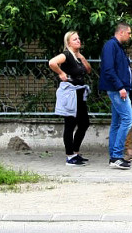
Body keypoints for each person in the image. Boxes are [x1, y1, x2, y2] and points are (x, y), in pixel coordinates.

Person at [49, 31, 92, 166]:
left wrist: (81, 57)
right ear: (68, 43)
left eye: (78, 38)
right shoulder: (66, 55)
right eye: (75, 39)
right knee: (70, 124)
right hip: (70, 94)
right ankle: (70, 156)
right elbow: (52, 62)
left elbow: (88, 70)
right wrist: (61, 73)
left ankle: (75, 152)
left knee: (84, 123)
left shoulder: (77, 57)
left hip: (79, 93)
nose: (78, 40)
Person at [99, 22, 132, 169]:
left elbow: (122, 69)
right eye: (129, 33)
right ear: (121, 32)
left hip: (119, 89)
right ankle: (116, 156)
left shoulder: (117, 47)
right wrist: (120, 87)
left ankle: (114, 157)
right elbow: (108, 69)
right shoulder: (111, 46)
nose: (130, 36)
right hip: (117, 90)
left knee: (117, 123)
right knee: (128, 119)